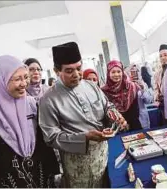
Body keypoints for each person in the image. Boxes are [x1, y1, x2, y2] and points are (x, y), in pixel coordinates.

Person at [38, 42, 127, 188]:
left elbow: (107, 106)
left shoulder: (91, 86)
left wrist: (115, 116)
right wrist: (84, 137)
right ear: (56, 71)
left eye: (79, 68)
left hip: (103, 155)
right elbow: (51, 137)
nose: (76, 74)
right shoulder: (48, 100)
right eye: (69, 71)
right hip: (76, 165)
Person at [0, 55, 59, 188]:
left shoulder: (31, 104)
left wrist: (53, 170)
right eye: (17, 79)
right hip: (5, 178)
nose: (24, 84)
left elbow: (42, 142)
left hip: (40, 175)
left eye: (25, 77)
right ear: (0, 81)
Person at [102, 60, 143, 131]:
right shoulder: (103, 91)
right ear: (108, 73)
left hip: (134, 127)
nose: (116, 74)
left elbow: (136, 110)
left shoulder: (132, 87)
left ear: (122, 72)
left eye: (118, 71)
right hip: (115, 129)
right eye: (113, 72)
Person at [127, 64, 154, 129]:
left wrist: (142, 90)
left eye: (137, 71)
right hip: (129, 119)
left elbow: (149, 101)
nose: (134, 74)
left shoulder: (143, 84)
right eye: (132, 71)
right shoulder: (125, 85)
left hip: (142, 119)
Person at [154, 44, 167, 125]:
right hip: (163, 107)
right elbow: (156, 90)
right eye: (160, 56)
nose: (163, 58)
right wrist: (157, 97)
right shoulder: (157, 73)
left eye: (165, 55)